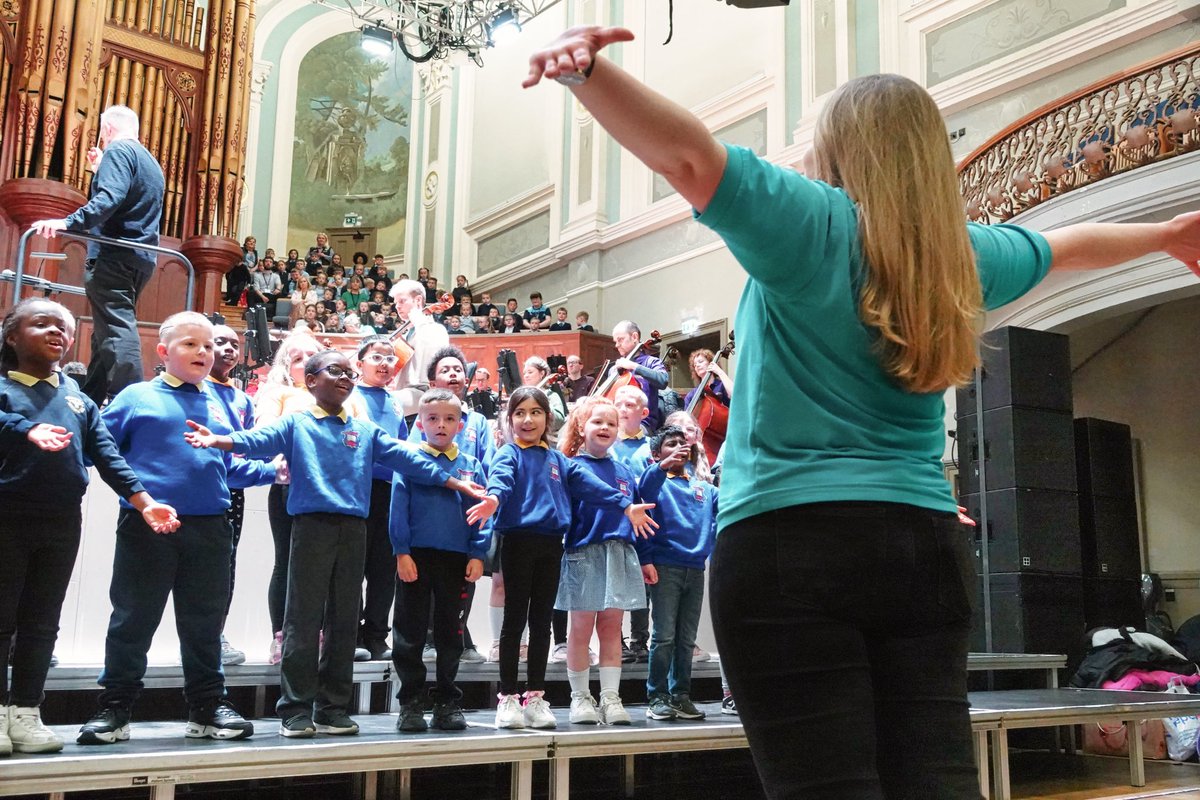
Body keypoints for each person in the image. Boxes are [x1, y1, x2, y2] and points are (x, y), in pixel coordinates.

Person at [524, 24, 1200, 798]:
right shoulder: (964, 255)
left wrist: (590, 76)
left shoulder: (812, 223)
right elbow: (1067, 245)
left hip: (789, 545)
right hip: (922, 546)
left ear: (838, 148)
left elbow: (687, 156)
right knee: (935, 781)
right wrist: (1167, 234)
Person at [185, 350, 492, 739]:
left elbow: (410, 459)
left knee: (345, 621)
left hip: (354, 530)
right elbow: (256, 439)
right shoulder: (296, 422)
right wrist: (219, 440)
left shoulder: (364, 430)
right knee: (303, 619)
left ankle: (332, 708)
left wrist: (455, 482)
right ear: (311, 381)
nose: (346, 377)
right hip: (311, 527)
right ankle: (295, 710)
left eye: (350, 372)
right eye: (336, 371)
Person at [77, 312, 275, 746]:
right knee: (132, 618)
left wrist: (272, 471)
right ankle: (115, 707)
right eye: (190, 344)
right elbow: (98, 452)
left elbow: (230, 467)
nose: (203, 352)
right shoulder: (135, 397)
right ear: (163, 352)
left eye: (207, 345)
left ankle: (207, 707)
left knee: (205, 623)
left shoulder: (223, 402)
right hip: (147, 527)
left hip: (211, 528)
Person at [0, 299, 179, 755]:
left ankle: (25, 711)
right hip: (8, 515)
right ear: (12, 337)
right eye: (41, 324)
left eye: (63, 326)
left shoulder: (77, 399)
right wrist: (25, 430)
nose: (57, 331)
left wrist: (144, 502)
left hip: (60, 520)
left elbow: (107, 455)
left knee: (42, 622)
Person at [482, 386, 654, 729]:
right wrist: (493, 499)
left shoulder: (558, 460)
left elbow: (591, 485)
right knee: (515, 620)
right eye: (519, 413)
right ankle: (508, 698)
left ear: (548, 417)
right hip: (517, 541)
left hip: (550, 545)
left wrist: (625, 504)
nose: (527, 419)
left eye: (535, 412)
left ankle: (535, 697)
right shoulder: (509, 453)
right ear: (510, 418)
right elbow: (500, 481)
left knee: (543, 622)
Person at [30, 105, 165, 406]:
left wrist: (66, 222)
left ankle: (132, 404)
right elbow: (130, 200)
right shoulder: (151, 162)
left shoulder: (118, 151)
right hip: (142, 256)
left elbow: (109, 200)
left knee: (116, 329)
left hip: (113, 253)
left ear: (106, 130)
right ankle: (90, 402)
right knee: (105, 332)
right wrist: (100, 169)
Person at [392, 389, 491, 732]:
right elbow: (398, 511)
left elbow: (480, 515)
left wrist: (478, 553)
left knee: (451, 633)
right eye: (432, 418)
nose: (440, 425)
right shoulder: (408, 460)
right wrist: (402, 552)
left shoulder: (470, 465)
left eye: (449, 419)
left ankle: (447, 700)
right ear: (420, 423)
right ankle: (411, 703)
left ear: (460, 426)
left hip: (455, 560)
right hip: (415, 559)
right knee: (410, 632)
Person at [557, 397, 650, 726]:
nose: (605, 428)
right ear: (582, 427)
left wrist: (646, 557)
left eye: (612, 423)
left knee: (612, 628)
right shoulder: (570, 466)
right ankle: (580, 697)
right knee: (580, 629)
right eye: (598, 422)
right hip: (585, 551)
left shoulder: (625, 471)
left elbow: (637, 517)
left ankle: (611, 697)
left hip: (620, 552)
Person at [636, 425, 718, 722]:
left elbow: (726, 509)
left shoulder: (703, 487)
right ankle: (656, 695)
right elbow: (642, 491)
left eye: (683, 443)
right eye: (671, 444)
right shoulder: (654, 481)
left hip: (695, 569)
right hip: (666, 567)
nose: (680, 448)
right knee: (664, 636)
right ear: (656, 454)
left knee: (686, 639)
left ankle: (680, 695)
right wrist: (662, 466)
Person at [352, 337, 409, 661]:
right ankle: (352, 635)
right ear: (360, 363)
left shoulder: (395, 402)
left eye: (390, 358)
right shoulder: (349, 397)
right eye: (377, 357)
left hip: (388, 493)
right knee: (353, 568)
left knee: (383, 570)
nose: (385, 363)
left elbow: (401, 450)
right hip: (356, 491)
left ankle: (376, 636)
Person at [206, 325, 256, 667]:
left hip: (232, 492)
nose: (228, 349)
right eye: (219, 342)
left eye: (234, 344)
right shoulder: (196, 389)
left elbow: (251, 447)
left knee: (225, 566)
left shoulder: (243, 399)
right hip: (195, 492)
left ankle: (215, 635)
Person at [391, 279, 451, 424]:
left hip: (425, 392)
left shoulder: (435, 329)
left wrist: (420, 322)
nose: (397, 306)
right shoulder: (406, 335)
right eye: (396, 303)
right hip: (405, 393)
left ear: (418, 301)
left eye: (402, 301)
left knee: (384, 403)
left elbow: (433, 357)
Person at [604, 321, 669, 432]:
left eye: (620, 339)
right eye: (615, 341)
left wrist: (634, 366)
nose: (616, 345)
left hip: (643, 422)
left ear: (634, 337)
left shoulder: (651, 362)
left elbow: (663, 380)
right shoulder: (614, 370)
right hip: (617, 421)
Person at [225, 237, 256, 305]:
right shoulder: (241, 250)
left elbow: (256, 263)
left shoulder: (255, 252)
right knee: (234, 286)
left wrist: (253, 269)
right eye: (250, 241)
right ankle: (230, 298)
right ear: (246, 243)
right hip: (240, 268)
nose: (252, 243)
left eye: (253, 242)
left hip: (250, 271)